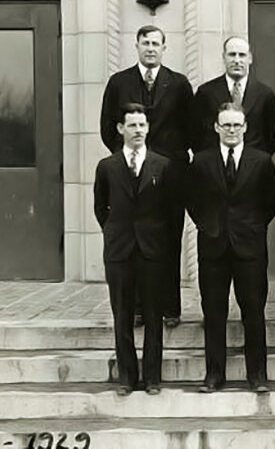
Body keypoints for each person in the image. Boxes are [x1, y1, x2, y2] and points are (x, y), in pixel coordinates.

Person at [100, 25, 194, 329]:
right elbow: (108, 127)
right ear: (137, 46)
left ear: (164, 48)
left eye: (156, 43)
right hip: (131, 177)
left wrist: (170, 161)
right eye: (145, 43)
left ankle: (169, 306)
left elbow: (189, 127)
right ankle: (137, 308)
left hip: (171, 176)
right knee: (134, 239)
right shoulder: (119, 82)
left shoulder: (178, 84)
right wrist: (128, 159)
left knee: (169, 236)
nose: (150, 48)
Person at [189, 103, 275, 393]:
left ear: (245, 128)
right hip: (213, 247)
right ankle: (214, 375)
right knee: (214, 312)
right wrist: (208, 226)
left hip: (249, 248)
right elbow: (192, 200)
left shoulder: (261, 161)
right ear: (216, 127)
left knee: (253, 310)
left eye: (236, 125)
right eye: (226, 125)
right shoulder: (201, 161)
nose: (231, 130)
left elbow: (271, 201)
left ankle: (257, 375)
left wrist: (253, 226)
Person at [93, 103, 173, 396]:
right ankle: (127, 377)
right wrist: (116, 233)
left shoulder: (162, 165)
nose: (138, 130)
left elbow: (170, 209)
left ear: (148, 128)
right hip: (120, 251)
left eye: (142, 125)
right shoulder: (107, 167)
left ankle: (152, 378)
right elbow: (101, 208)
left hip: (152, 251)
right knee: (122, 315)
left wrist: (156, 239)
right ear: (120, 129)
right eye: (132, 125)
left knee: (153, 316)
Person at [192, 36, 275, 154]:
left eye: (242, 55)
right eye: (232, 55)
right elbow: (196, 134)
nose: (237, 60)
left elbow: (272, 136)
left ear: (250, 59)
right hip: (214, 161)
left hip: (254, 161)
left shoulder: (265, 94)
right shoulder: (206, 92)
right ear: (224, 57)